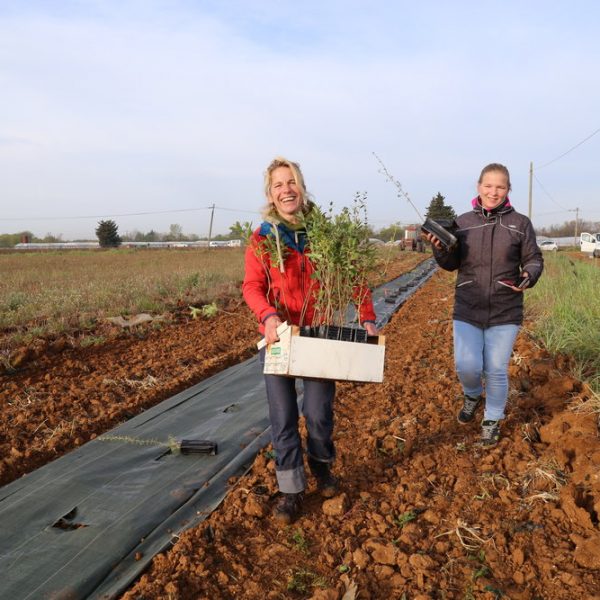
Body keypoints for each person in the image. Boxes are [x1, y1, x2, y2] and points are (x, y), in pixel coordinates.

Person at [243, 157, 378, 524]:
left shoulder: (324, 235)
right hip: (280, 337)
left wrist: (367, 317)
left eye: (291, 183)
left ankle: (322, 468)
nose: (286, 190)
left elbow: (354, 276)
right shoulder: (261, 239)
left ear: (301, 187)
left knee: (318, 413)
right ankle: (290, 491)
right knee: (283, 417)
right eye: (278, 185)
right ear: (270, 195)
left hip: (319, 335)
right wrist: (268, 316)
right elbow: (252, 286)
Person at [423, 163, 543, 446]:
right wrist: (439, 248)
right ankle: (473, 393)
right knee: (467, 365)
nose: (494, 192)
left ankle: (492, 419)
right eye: (488, 186)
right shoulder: (463, 223)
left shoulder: (520, 224)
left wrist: (529, 275)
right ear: (478, 187)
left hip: (505, 309)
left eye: (500, 187)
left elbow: (534, 258)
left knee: (496, 368)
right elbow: (451, 265)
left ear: (508, 190)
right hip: (468, 306)